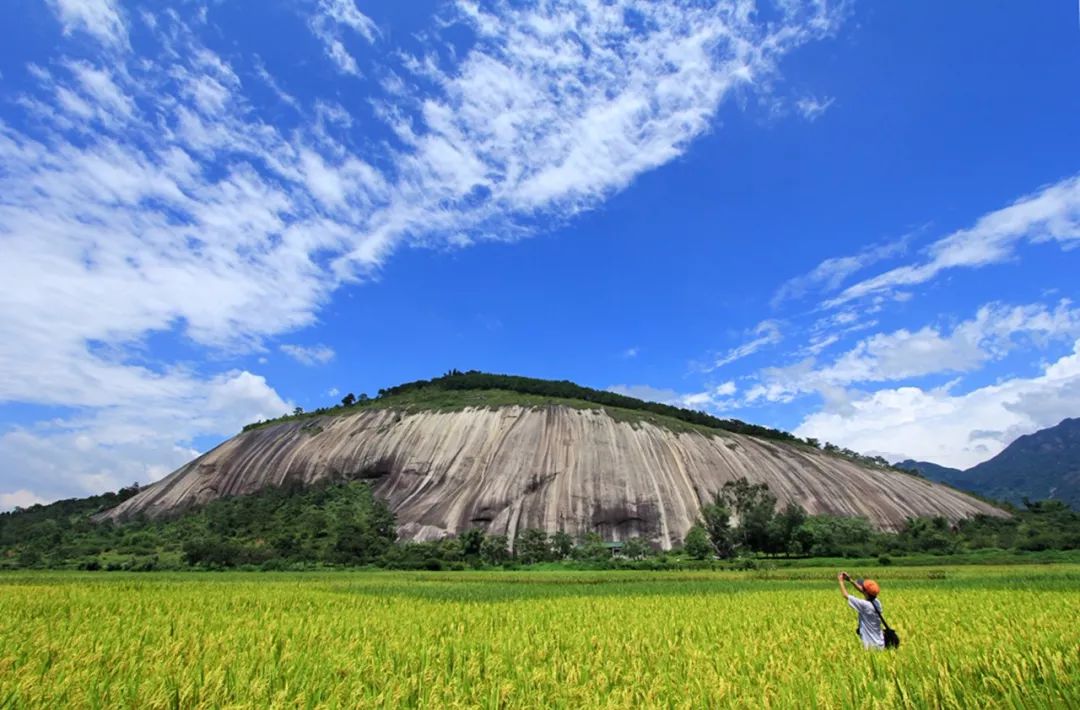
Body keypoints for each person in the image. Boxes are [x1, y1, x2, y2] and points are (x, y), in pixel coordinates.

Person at [837, 571, 885, 650]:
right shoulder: (877, 603)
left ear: (866, 592)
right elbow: (863, 591)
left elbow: (845, 595)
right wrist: (850, 580)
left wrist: (840, 581)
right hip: (880, 643)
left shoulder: (864, 605)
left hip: (870, 646)